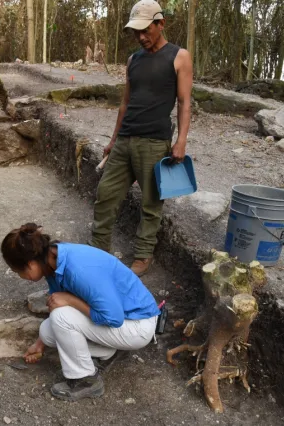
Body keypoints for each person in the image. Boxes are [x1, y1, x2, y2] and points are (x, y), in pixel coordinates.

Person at [90, 0, 193, 276]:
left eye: (146, 30)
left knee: (151, 203)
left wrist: (181, 140)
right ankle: (98, 251)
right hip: (125, 140)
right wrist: (113, 140)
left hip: (154, 142)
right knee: (105, 195)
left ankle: (143, 254)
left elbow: (184, 102)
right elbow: (125, 103)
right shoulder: (133, 60)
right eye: (136, 32)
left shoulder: (179, 56)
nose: (141, 37)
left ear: (161, 24)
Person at [1, 223, 160, 402]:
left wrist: (69, 301)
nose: (19, 276)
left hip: (137, 324)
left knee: (61, 317)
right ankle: (106, 351)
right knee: (47, 332)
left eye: (17, 271)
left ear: (30, 264)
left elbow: (113, 318)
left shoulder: (78, 270)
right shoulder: (52, 260)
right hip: (122, 319)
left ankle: (86, 380)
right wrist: (40, 344)